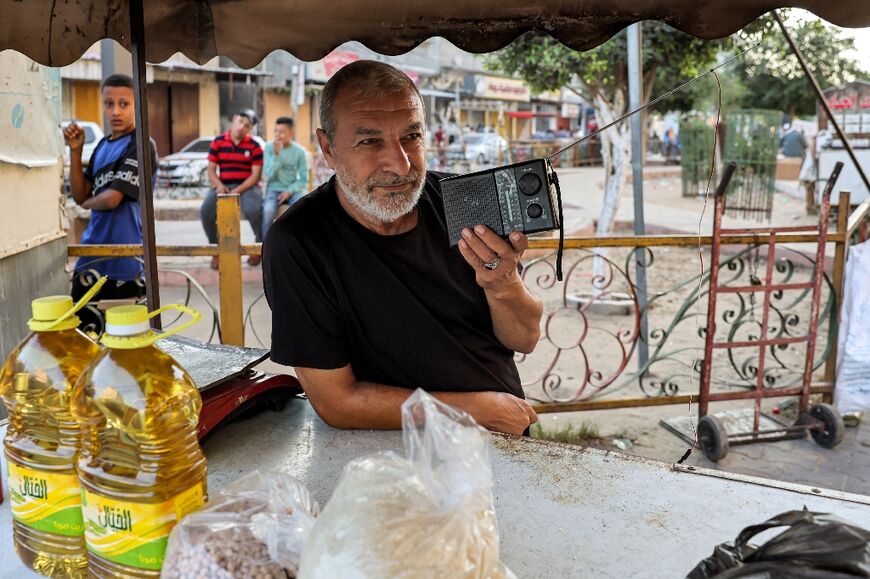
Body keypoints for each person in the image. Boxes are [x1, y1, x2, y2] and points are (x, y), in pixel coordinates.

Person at [263, 60, 542, 435]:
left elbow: (524, 338)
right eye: (370, 141)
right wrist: (472, 412)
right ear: (328, 148)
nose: (400, 163)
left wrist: (502, 282)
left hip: (506, 439)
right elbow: (336, 402)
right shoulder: (299, 241)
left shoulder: (462, 203)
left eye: (411, 136)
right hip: (389, 457)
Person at [63, 73, 156, 331]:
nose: (116, 111)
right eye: (109, 103)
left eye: (124, 104)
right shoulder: (103, 146)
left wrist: (88, 202)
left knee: (125, 344)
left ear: (138, 105)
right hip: (92, 256)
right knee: (85, 339)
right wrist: (76, 150)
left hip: (127, 261)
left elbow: (112, 199)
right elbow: (82, 195)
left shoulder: (142, 145)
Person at [201, 109, 264, 268]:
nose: (242, 126)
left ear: (250, 129)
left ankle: (258, 248)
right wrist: (219, 185)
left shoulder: (255, 146)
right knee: (206, 211)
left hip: (247, 186)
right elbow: (211, 170)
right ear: (234, 119)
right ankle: (217, 250)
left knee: (254, 210)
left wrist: (238, 190)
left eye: (247, 125)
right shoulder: (218, 141)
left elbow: (255, 176)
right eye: (240, 121)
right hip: (223, 185)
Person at [262, 116, 309, 237]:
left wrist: (289, 191)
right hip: (273, 188)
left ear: (291, 132)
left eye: (282, 132)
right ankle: (265, 245)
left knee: (305, 209)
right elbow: (269, 174)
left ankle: (300, 242)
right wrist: (277, 155)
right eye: (276, 131)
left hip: (292, 189)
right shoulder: (269, 148)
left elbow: (304, 179)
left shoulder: (299, 152)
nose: (278, 135)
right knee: (267, 211)